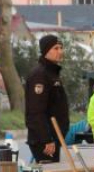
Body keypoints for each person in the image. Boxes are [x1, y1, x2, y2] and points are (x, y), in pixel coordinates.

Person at [25, 34, 68, 163]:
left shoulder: (52, 73)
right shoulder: (40, 75)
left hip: (54, 138)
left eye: (61, 48)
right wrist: (46, 139)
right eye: (56, 48)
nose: (60, 51)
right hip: (45, 141)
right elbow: (36, 111)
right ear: (45, 51)